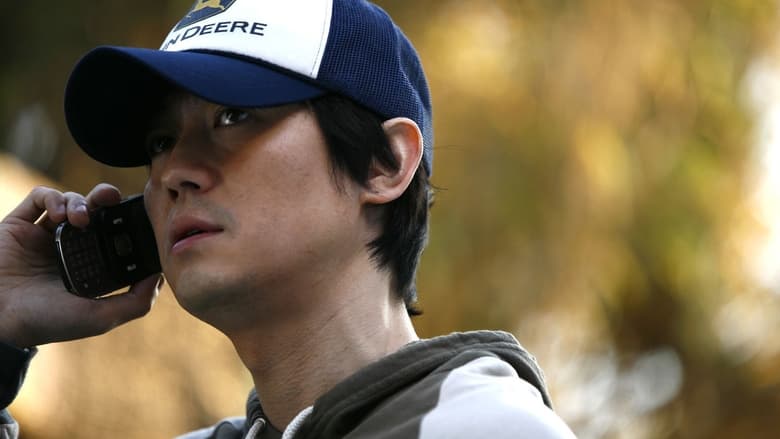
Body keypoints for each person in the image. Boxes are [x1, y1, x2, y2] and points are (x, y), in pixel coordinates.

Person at [0, 1, 577, 438]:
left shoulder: (482, 428)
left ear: (383, 163)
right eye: (160, 141)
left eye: (233, 115)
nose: (174, 171)